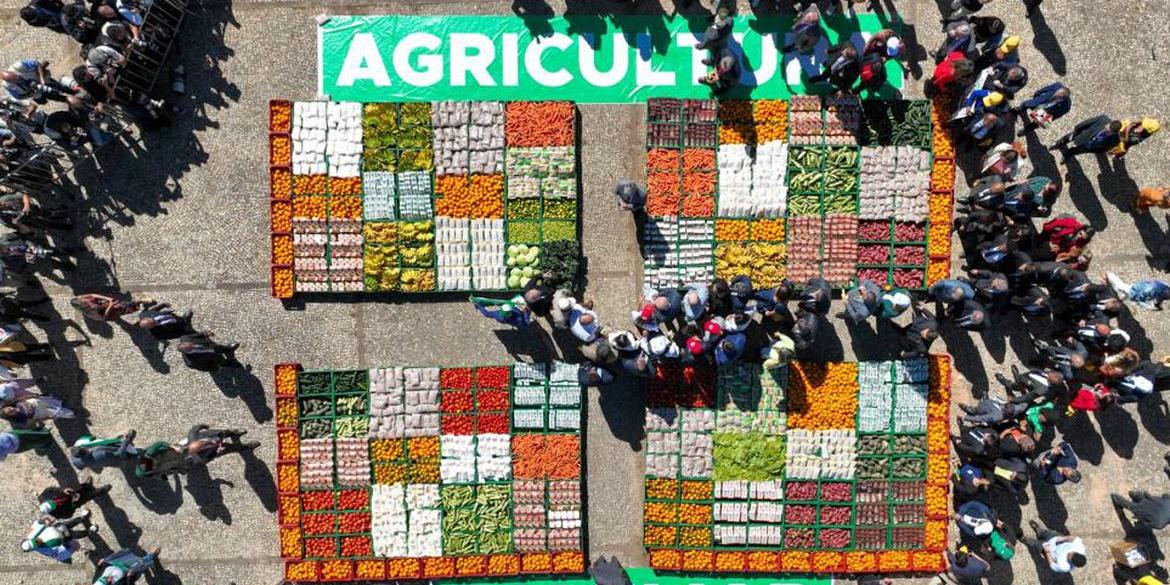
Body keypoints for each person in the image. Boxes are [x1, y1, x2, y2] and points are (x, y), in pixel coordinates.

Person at [21, 511, 97, 563]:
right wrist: (67, 543)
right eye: (36, 545)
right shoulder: (47, 550)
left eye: (35, 542)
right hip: (62, 538)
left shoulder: (31, 535)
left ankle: (83, 517)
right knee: (76, 534)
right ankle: (89, 531)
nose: (38, 543)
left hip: (56, 528)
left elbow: (37, 523)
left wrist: (44, 519)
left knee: (69, 523)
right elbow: (60, 553)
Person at [1020, 519, 1086, 573]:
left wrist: (1047, 552)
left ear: (1072, 563)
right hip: (1057, 539)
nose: (1069, 553)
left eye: (1069, 557)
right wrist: (1064, 538)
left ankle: (1024, 539)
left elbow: (1052, 565)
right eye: (1072, 553)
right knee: (1045, 533)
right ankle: (1038, 530)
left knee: (1036, 544)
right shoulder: (1080, 548)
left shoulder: (1064, 567)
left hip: (1049, 550)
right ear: (1078, 553)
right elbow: (1075, 538)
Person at [181, 425, 259, 467]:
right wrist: (217, 452)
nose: (204, 444)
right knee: (230, 448)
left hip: (213, 434)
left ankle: (233, 433)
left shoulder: (193, 436)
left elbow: (194, 428)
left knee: (224, 432)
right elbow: (209, 458)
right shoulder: (199, 457)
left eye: (202, 443)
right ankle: (246, 447)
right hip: (216, 448)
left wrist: (203, 426)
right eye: (203, 447)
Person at [39, 478, 111, 519]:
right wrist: (73, 504)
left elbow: (51, 489)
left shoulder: (43, 496)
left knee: (79, 488)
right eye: (53, 506)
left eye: (52, 502)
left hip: (68, 493)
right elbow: (68, 515)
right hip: (75, 501)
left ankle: (87, 485)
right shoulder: (56, 514)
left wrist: (63, 489)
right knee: (88, 496)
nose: (54, 503)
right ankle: (102, 490)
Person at [69, 432, 140, 472]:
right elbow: (119, 454)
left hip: (104, 462)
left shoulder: (75, 460)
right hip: (116, 455)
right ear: (84, 449)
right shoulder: (101, 454)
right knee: (130, 453)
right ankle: (135, 455)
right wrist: (126, 440)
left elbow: (79, 467)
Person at [177, 331, 242, 372]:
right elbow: (203, 367)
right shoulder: (190, 362)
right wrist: (214, 368)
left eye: (192, 344)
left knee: (220, 348)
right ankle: (229, 364)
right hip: (212, 358)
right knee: (221, 361)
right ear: (187, 351)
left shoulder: (185, 338)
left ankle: (228, 349)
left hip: (211, 346)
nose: (194, 346)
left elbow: (198, 335)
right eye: (191, 348)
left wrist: (206, 333)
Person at [92, 547, 161, 585]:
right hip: (126, 571)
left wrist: (99, 565)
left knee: (132, 558)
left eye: (105, 579)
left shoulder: (95, 583)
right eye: (108, 582)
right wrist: (129, 577)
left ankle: (150, 561)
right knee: (141, 562)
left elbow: (97, 574)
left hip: (115, 564)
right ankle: (152, 556)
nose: (108, 578)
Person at [1, 395, 75, 428]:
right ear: (11, 416)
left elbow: (22, 398)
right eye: (11, 412)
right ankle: (71, 414)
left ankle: (60, 402)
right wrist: (47, 418)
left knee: (47, 400)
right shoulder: (19, 418)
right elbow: (32, 421)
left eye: (9, 408)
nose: (12, 409)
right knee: (55, 412)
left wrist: (32, 395)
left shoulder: (15, 404)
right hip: (39, 412)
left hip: (39, 402)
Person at [70, 293, 141, 322]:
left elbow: (92, 295)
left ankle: (138, 302)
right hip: (110, 311)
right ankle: (138, 304)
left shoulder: (81, 298)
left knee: (124, 304)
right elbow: (103, 318)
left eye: (85, 300)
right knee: (124, 309)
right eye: (85, 303)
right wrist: (110, 305)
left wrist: (107, 298)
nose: (88, 301)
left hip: (107, 304)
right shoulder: (89, 312)